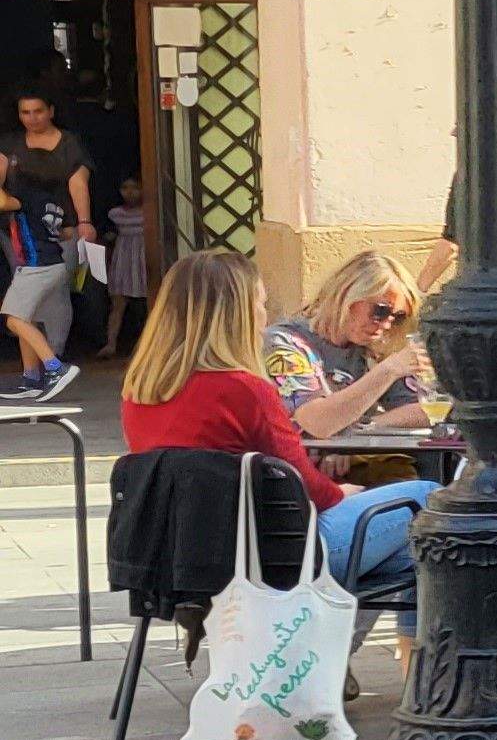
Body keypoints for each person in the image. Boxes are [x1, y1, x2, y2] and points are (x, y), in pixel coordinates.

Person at [121, 251, 436, 597]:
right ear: (237, 313)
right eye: (259, 303)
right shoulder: (245, 388)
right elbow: (300, 480)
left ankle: (354, 642)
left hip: (180, 556)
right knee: (432, 500)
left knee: (418, 555)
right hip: (274, 556)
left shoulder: (139, 390)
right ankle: (412, 647)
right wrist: (342, 493)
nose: (264, 315)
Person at [267, 251, 430, 483]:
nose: (386, 324)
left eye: (398, 317)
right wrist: (388, 370)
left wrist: (358, 433)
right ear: (348, 295)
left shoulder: (376, 344)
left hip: (350, 477)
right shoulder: (285, 342)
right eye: (381, 310)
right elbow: (318, 422)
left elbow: (423, 408)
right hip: (297, 481)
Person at [0, 87, 95, 400]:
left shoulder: (22, 197)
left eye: (38, 111)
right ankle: (31, 378)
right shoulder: (45, 198)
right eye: (25, 112)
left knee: (14, 317)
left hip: (36, 263)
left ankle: (55, 366)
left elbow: (77, 183)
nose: (31, 119)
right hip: (44, 258)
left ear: (51, 110)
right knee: (26, 314)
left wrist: (84, 222)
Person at [98, 174, 151, 359]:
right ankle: (110, 344)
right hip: (123, 258)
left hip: (144, 258)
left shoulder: (150, 212)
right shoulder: (114, 214)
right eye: (125, 188)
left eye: (135, 187)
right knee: (118, 304)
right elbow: (108, 236)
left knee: (149, 304)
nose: (130, 193)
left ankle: (148, 346)